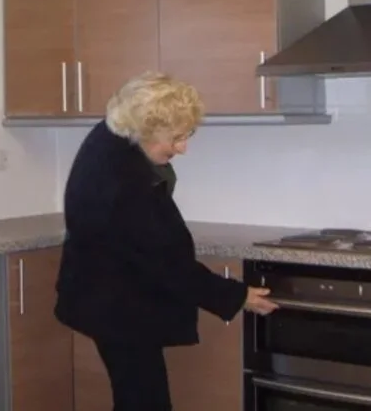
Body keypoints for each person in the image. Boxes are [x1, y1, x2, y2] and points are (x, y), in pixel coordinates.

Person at [54, 71, 278, 411]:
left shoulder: (113, 138)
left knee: (138, 399)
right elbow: (165, 263)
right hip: (115, 304)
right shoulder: (123, 181)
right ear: (144, 130)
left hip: (107, 296)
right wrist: (236, 295)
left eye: (186, 136)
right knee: (146, 402)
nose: (183, 148)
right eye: (176, 138)